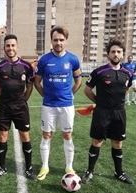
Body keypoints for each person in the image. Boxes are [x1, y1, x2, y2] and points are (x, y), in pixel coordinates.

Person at [82, 39, 134, 185]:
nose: (116, 54)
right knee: (97, 142)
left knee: (117, 143)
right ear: (108, 54)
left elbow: (126, 89)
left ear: (122, 54)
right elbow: (87, 90)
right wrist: (99, 102)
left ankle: (119, 172)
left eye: (118, 52)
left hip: (119, 113)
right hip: (102, 112)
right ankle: (89, 171)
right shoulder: (99, 72)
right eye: (113, 52)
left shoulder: (128, 73)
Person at [34, 26, 82, 181]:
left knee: (67, 134)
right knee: (46, 134)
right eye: (55, 40)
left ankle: (69, 167)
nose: (58, 43)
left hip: (66, 105)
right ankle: (45, 166)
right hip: (48, 105)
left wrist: (70, 94)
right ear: (51, 41)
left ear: (66, 41)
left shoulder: (73, 59)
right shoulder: (44, 60)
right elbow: (37, 82)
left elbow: (78, 80)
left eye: (61, 40)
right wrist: (45, 95)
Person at [0, 34, 37, 181]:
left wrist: (23, 100)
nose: (10, 48)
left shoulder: (26, 67)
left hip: (21, 107)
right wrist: (4, 100)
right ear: (4, 48)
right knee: (2, 136)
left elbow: (30, 86)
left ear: (17, 47)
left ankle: (29, 169)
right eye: (7, 46)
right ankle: (2, 167)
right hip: (5, 107)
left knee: (25, 136)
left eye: (13, 45)